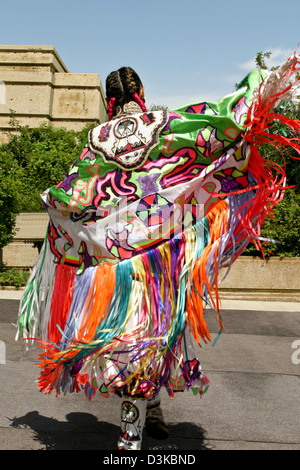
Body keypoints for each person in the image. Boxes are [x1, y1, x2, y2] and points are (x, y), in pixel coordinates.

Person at [16, 57, 300, 450]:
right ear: (141, 95)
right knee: (146, 343)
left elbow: (72, 195)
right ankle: (140, 425)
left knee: (130, 349)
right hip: (160, 265)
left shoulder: (95, 141)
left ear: (110, 101)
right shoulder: (163, 124)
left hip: (113, 271)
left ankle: (140, 425)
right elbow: (211, 127)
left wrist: (55, 205)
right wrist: (255, 97)